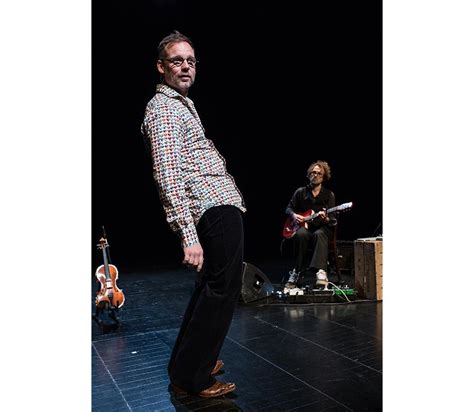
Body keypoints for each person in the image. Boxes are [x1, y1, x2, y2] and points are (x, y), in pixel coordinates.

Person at [141, 31, 246, 398]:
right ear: (161, 67)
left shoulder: (181, 104)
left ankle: (189, 364)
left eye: (190, 60)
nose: (185, 66)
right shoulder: (164, 109)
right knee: (221, 289)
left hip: (215, 203)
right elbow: (168, 174)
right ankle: (193, 377)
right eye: (177, 60)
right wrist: (187, 234)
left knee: (209, 288)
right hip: (211, 206)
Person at [284, 160, 337, 288]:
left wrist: (326, 219)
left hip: (322, 229)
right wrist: (294, 215)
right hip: (305, 228)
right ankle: (297, 271)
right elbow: (288, 208)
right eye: (313, 172)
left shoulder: (329, 195)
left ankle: (321, 272)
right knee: (300, 234)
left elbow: (332, 220)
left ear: (324, 177)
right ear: (308, 175)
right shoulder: (300, 192)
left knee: (320, 234)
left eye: (319, 173)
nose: (315, 175)